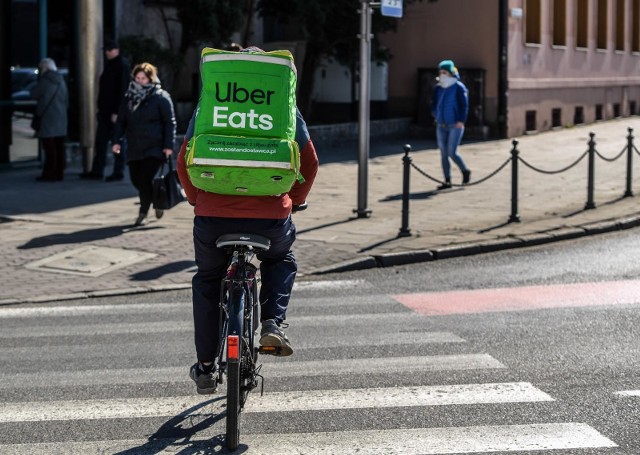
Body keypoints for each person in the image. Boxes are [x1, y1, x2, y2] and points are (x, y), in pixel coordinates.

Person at [176, 48, 319, 394]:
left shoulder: (210, 106)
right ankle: (272, 322)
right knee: (280, 259)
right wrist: (293, 202)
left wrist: (199, 199)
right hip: (270, 218)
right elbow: (309, 163)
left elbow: (184, 161)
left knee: (209, 280)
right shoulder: (283, 108)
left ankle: (207, 366)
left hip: (212, 218)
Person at [112, 62, 176, 226]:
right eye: (137, 78)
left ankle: (142, 213)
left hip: (155, 146)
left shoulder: (161, 97)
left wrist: (169, 145)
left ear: (150, 78)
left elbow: (169, 122)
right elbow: (121, 122)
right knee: (136, 180)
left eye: (143, 78)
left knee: (145, 179)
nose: (140, 81)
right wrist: (116, 141)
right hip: (134, 146)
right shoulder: (129, 97)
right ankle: (157, 200)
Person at [81, 38, 130, 181]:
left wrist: (117, 112)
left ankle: (118, 172)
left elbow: (122, 91)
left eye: (110, 49)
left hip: (114, 113)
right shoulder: (112, 65)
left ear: (116, 50)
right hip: (105, 112)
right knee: (101, 142)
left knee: (117, 143)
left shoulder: (121, 65)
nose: (107, 52)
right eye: (106, 50)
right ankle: (97, 171)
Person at [431, 59, 471, 190]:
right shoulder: (438, 88)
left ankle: (465, 170)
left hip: (455, 124)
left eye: (445, 72)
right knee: (443, 153)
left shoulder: (458, 87)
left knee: (451, 152)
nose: (442, 74)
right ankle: (447, 180)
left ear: (451, 73)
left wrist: (461, 120)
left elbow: (464, 105)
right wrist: (435, 114)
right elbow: (434, 103)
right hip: (441, 124)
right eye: (441, 72)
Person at [30, 58, 69, 182]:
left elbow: (33, 94)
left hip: (48, 119)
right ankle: (59, 173)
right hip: (61, 118)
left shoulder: (45, 81)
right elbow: (66, 100)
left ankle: (49, 173)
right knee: (59, 146)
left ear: (45, 68)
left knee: (49, 148)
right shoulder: (62, 81)